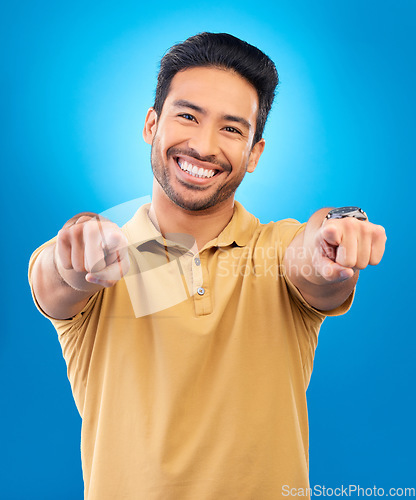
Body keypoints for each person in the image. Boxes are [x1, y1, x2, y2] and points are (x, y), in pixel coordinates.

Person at [28, 32, 386, 500]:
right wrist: (75, 251)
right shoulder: (105, 256)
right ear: (151, 125)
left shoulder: (277, 251)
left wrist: (335, 236)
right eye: (187, 116)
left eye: (232, 129)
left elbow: (313, 255)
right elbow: (57, 276)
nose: (202, 144)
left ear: (254, 154)